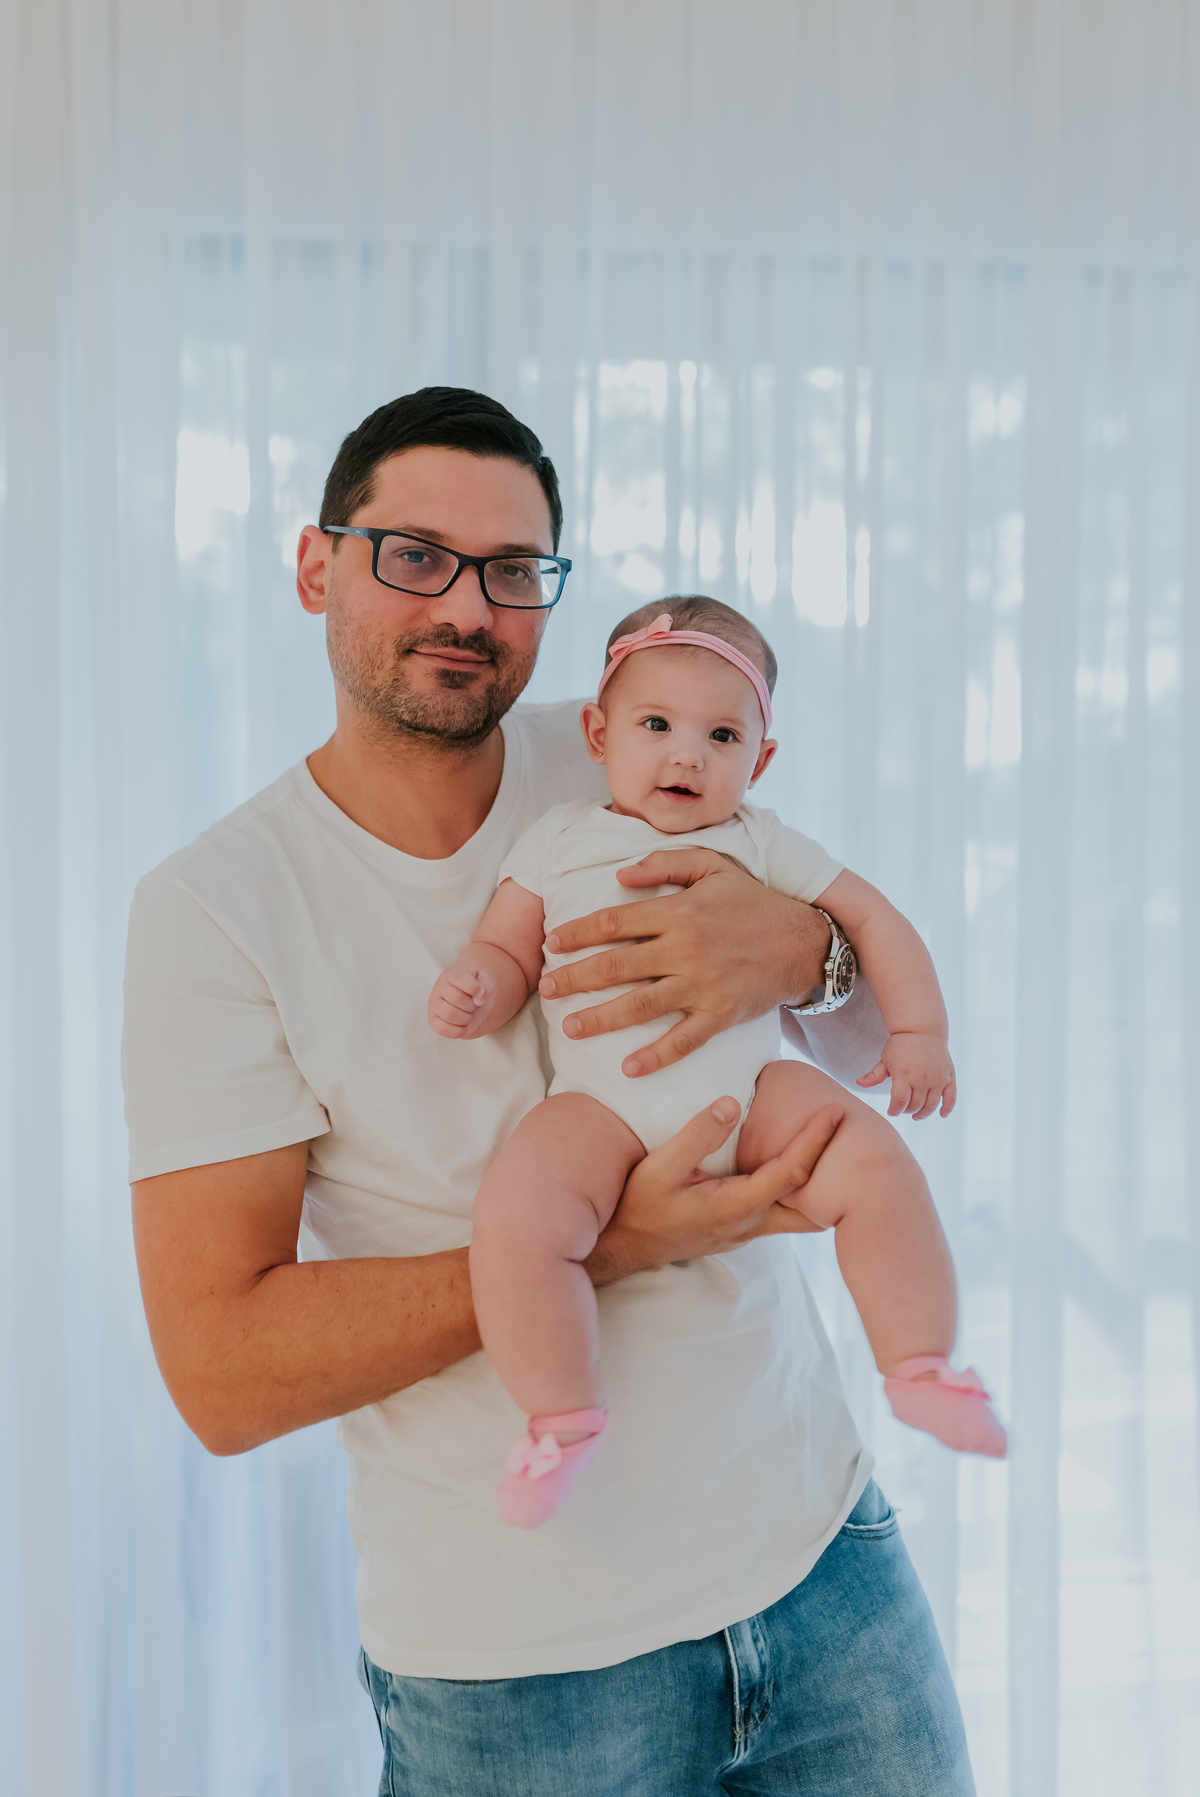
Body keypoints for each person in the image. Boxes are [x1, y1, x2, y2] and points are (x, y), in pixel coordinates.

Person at [125, 386, 978, 1794]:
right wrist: (613, 1242)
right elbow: (221, 1372)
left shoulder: (647, 749)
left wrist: (806, 947)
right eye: (414, 552)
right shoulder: (219, 910)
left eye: (513, 570)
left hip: (826, 1563)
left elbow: (868, 1037)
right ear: (315, 565)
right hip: (526, 1676)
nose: (465, 604)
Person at [429, 600, 1006, 1528]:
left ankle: (921, 1363)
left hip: (751, 1093)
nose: (687, 754)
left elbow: (876, 920)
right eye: (656, 725)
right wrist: (478, 987)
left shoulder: (761, 839)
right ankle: (561, 1416)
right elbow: (508, 948)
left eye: (722, 734)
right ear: (598, 731)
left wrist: (919, 1034)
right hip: (599, 1108)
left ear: (761, 759)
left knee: (876, 1162)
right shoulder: (560, 839)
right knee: (516, 1221)